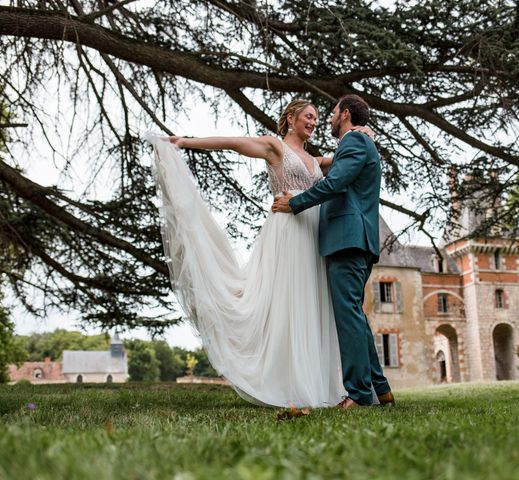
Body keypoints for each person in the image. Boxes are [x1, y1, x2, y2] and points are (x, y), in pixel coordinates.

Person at [146, 99, 365, 408]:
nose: (314, 122)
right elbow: (233, 143)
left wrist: (360, 131)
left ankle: (320, 382)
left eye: (317, 118)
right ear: (291, 118)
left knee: (312, 304)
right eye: (309, 116)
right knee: (288, 303)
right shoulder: (274, 146)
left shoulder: (317, 161)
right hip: (287, 231)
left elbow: (350, 157)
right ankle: (289, 382)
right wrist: (185, 142)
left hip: (314, 233)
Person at [272, 94, 395, 409]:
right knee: (355, 314)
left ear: (346, 114)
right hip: (353, 240)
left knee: (348, 316)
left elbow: (335, 183)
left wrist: (296, 202)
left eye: (332, 112)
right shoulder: (358, 142)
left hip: (348, 239)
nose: (327, 118)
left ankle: (357, 394)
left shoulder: (353, 143)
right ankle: (381, 390)